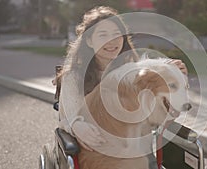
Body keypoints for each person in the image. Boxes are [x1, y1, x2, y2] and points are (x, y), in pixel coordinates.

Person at [57, 6, 188, 168]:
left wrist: (176, 79)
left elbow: (161, 117)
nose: (112, 41)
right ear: (89, 41)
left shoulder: (135, 74)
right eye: (103, 35)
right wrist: (76, 126)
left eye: (116, 34)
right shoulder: (73, 77)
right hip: (96, 154)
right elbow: (68, 116)